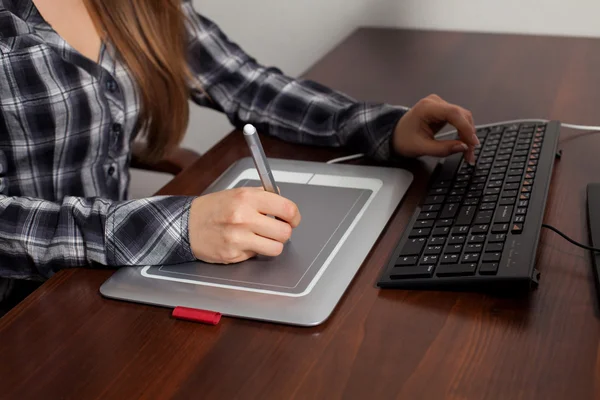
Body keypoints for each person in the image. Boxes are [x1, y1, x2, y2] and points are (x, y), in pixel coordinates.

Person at [0, 0, 479, 310]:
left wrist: (382, 126)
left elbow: (242, 81)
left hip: (106, 282)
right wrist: (181, 228)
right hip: (23, 306)